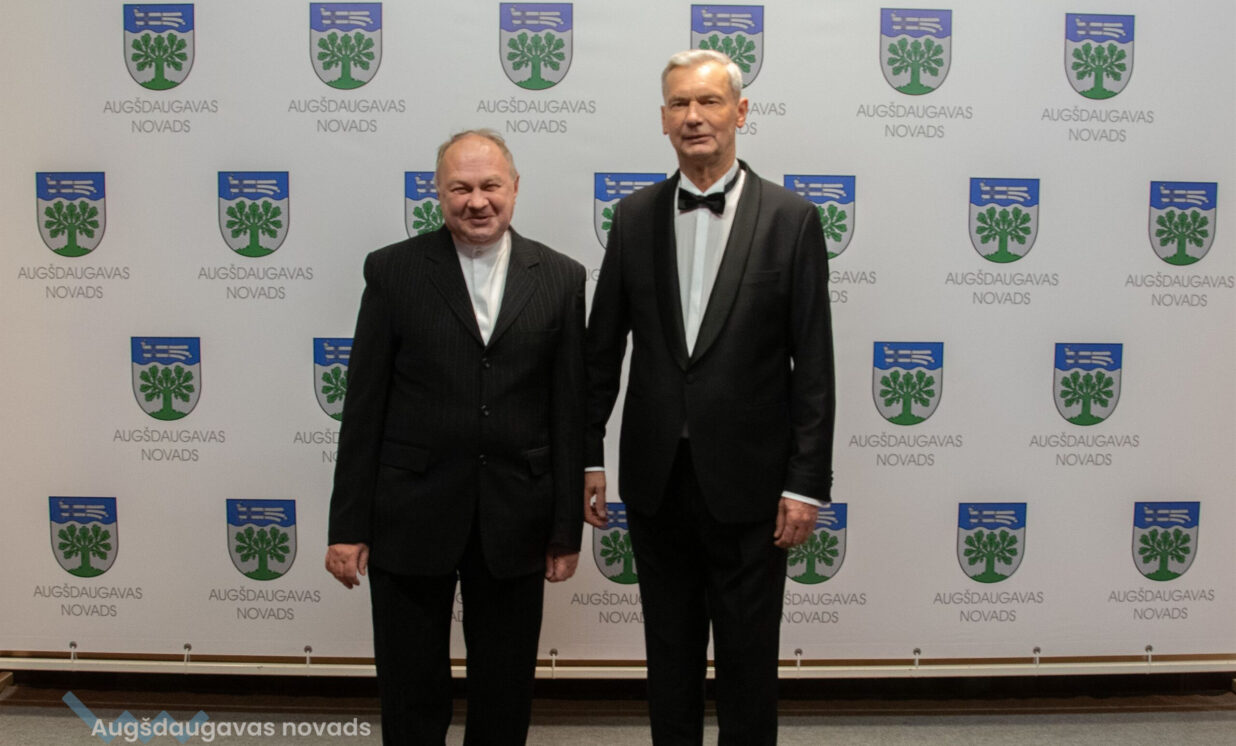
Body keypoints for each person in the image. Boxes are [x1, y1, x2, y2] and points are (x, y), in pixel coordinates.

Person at [583, 49, 835, 745]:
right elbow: (600, 355)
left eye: (709, 102)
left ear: (740, 112)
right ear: (663, 119)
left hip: (755, 486)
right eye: (679, 104)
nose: (694, 117)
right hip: (657, 481)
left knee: (749, 662)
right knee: (668, 657)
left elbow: (814, 364)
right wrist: (587, 457)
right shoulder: (633, 217)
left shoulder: (791, 219)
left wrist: (806, 483)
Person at [325, 129, 586, 745]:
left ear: (515, 188)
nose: (476, 201)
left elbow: (568, 410)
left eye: (490, 185)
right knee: (410, 688)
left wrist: (564, 528)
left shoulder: (562, 277)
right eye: (460, 188)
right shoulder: (392, 270)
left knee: (504, 690)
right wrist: (347, 526)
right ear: (438, 194)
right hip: (410, 510)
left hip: (517, 515)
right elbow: (363, 408)